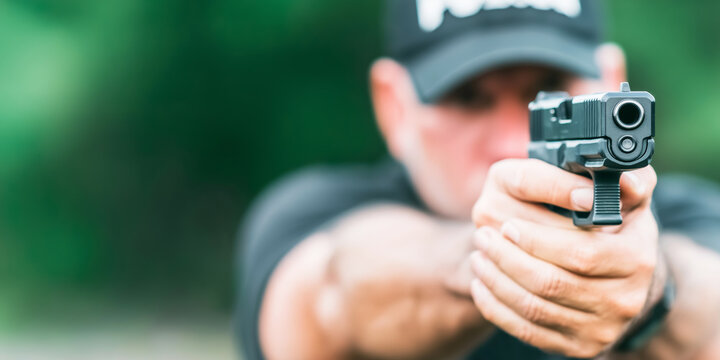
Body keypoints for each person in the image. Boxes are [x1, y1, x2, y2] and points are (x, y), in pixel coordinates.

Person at [236, 1, 720, 359]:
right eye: (467, 97)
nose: (512, 139)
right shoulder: (314, 213)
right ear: (393, 106)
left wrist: (655, 285)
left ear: (611, 80)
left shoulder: (687, 218)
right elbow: (332, 292)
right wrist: (490, 256)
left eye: (547, 89)